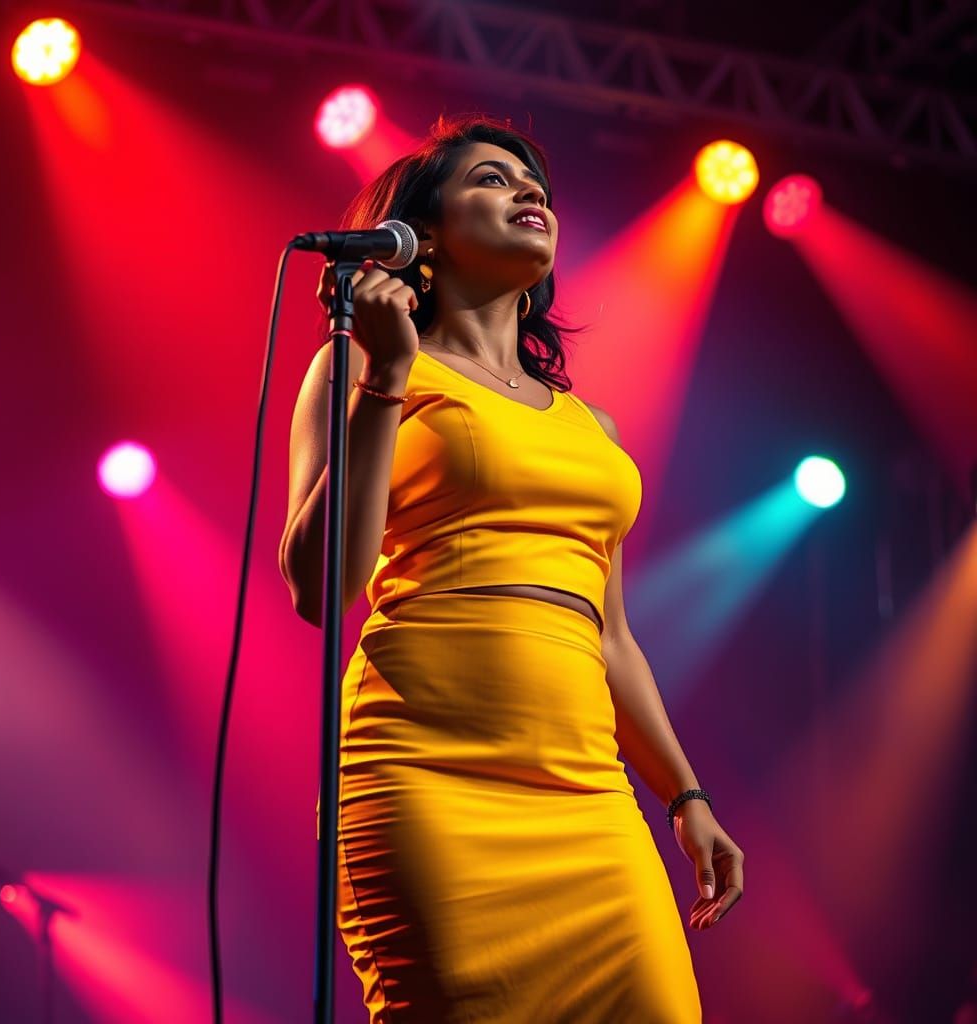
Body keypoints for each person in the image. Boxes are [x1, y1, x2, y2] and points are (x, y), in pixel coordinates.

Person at [279, 112, 744, 1023]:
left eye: (535, 185)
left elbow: (611, 635)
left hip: (587, 798)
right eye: (490, 180)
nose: (528, 192)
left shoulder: (588, 425)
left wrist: (686, 794)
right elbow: (320, 592)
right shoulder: (362, 367)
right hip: (426, 781)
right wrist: (383, 378)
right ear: (422, 236)